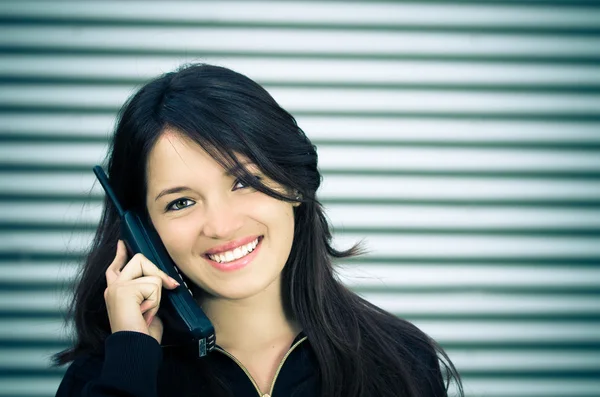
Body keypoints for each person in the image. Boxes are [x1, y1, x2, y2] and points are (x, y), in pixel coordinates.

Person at [51, 63, 463, 397]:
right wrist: (131, 366)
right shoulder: (109, 378)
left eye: (244, 182)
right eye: (181, 202)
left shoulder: (399, 360)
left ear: (294, 183)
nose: (222, 225)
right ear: (142, 229)